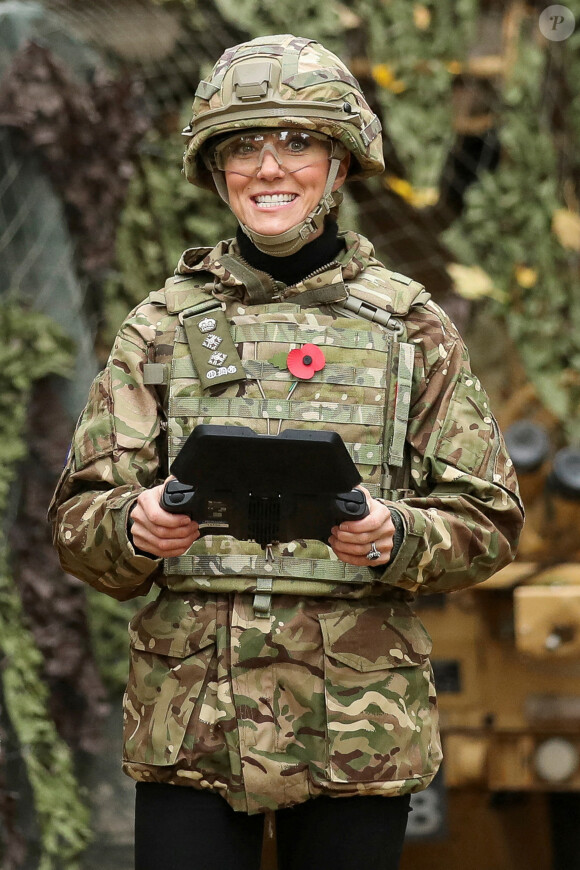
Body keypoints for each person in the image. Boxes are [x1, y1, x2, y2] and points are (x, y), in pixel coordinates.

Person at [49, 34, 523, 870]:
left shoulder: (413, 330)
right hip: (189, 723)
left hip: (358, 726)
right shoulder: (158, 328)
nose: (269, 168)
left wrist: (395, 537)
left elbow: (487, 520)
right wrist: (135, 527)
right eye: (243, 145)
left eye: (297, 141)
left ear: (341, 164)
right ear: (216, 168)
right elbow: (81, 519)